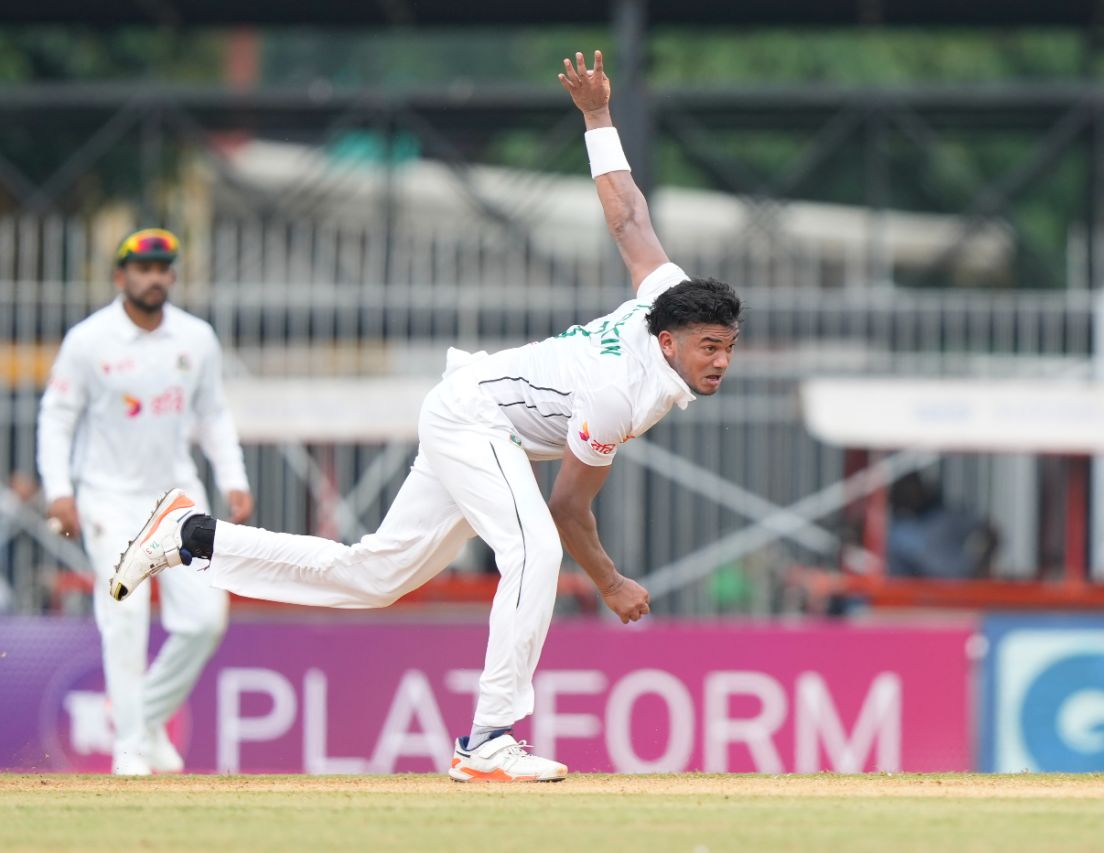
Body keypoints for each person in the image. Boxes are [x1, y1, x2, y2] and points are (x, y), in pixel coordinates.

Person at [110, 50, 742, 783]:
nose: (720, 361)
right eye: (708, 347)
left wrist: (599, 114)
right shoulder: (617, 396)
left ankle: (192, 536)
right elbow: (569, 508)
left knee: (374, 575)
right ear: (667, 342)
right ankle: (490, 739)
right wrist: (610, 582)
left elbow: (630, 216)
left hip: (476, 417)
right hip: (476, 419)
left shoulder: (666, 298)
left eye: (728, 347)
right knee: (535, 549)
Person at [37, 228, 253, 775]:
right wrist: (59, 490)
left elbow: (213, 414)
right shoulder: (89, 340)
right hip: (107, 497)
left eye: (163, 268)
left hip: (175, 498)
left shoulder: (196, 338)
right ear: (121, 275)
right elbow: (57, 417)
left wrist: (233, 477)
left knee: (205, 619)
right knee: (125, 613)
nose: (155, 277)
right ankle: (130, 749)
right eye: (143, 268)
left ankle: (144, 722)